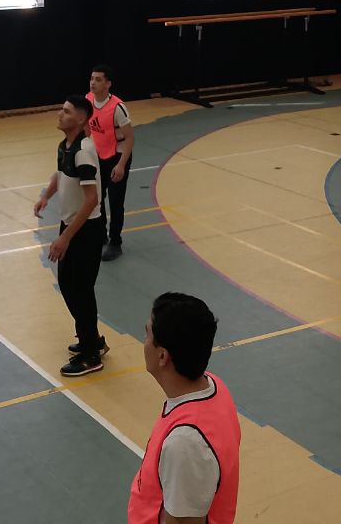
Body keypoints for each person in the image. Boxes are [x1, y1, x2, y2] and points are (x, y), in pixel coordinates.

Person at [128, 293, 240, 524]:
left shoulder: (185, 444)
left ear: (162, 356)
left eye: (147, 334)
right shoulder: (214, 385)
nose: (144, 341)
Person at [34, 95, 106, 377]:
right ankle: (92, 338)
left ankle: (91, 355)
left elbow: (91, 200)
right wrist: (46, 196)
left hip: (87, 229)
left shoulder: (83, 152)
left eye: (66, 112)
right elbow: (60, 175)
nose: (60, 114)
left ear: (80, 119)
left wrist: (65, 238)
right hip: (71, 225)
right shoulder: (65, 146)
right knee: (67, 283)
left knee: (81, 290)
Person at [87, 64, 134, 262]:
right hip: (98, 157)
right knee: (97, 198)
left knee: (115, 201)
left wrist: (121, 165)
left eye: (98, 79)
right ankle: (102, 236)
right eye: (92, 78)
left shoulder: (118, 108)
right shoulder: (88, 100)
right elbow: (88, 127)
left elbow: (130, 138)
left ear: (108, 84)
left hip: (117, 157)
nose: (93, 83)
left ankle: (115, 242)